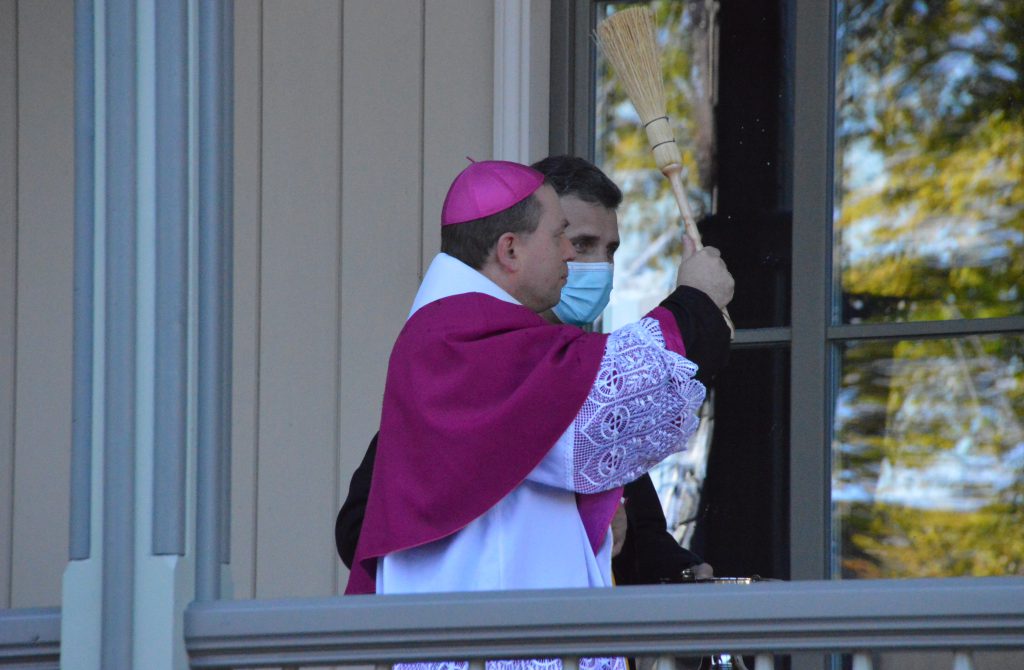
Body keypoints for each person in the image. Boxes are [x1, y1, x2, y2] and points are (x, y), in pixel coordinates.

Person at [345, 157, 732, 603]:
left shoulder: (474, 332)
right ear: (510, 250)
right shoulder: (461, 338)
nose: (569, 254)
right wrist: (696, 302)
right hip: (483, 625)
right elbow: (602, 402)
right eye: (559, 236)